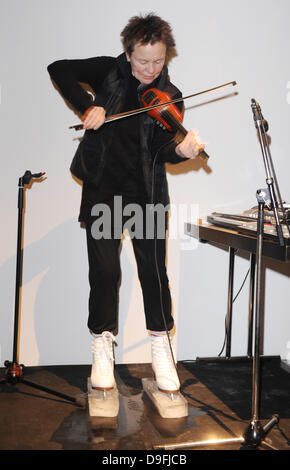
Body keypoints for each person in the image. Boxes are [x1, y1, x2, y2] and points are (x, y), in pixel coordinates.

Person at [47, 13, 205, 396]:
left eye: (158, 60)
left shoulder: (172, 95)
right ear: (128, 53)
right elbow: (59, 69)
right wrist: (88, 106)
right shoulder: (107, 73)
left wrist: (183, 150)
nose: (151, 69)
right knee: (104, 273)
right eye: (143, 60)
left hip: (146, 196)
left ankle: (161, 348)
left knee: (153, 274)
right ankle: (102, 345)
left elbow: (162, 148)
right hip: (105, 192)